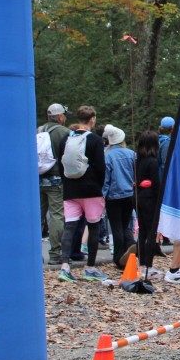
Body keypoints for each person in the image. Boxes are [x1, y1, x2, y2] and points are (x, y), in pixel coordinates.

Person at [57, 106, 108, 283]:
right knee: (93, 227)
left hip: (70, 189)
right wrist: (99, 186)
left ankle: (65, 267)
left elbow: (60, 164)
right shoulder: (95, 140)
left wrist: (67, 183)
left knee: (69, 226)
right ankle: (90, 268)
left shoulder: (66, 139)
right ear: (92, 119)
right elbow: (101, 167)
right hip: (91, 189)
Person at [134, 130, 173, 280]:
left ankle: (142, 263)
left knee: (142, 232)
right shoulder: (153, 162)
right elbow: (156, 184)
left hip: (138, 197)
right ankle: (148, 266)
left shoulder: (137, 160)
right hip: (150, 199)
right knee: (152, 233)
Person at [39, 103, 72, 265]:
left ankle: (34, 253)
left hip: (38, 178)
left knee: (38, 216)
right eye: (64, 115)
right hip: (56, 179)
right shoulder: (64, 132)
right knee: (56, 215)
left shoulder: (38, 130)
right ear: (59, 117)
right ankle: (55, 253)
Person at [102, 124, 137, 268]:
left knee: (116, 227)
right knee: (125, 224)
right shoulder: (131, 154)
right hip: (129, 194)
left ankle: (118, 258)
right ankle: (131, 246)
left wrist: (103, 197)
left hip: (113, 196)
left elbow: (106, 180)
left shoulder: (107, 156)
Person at [157, 116, 174, 180]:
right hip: (163, 179)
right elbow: (165, 164)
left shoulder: (158, 140)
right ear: (172, 129)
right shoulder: (167, 143)